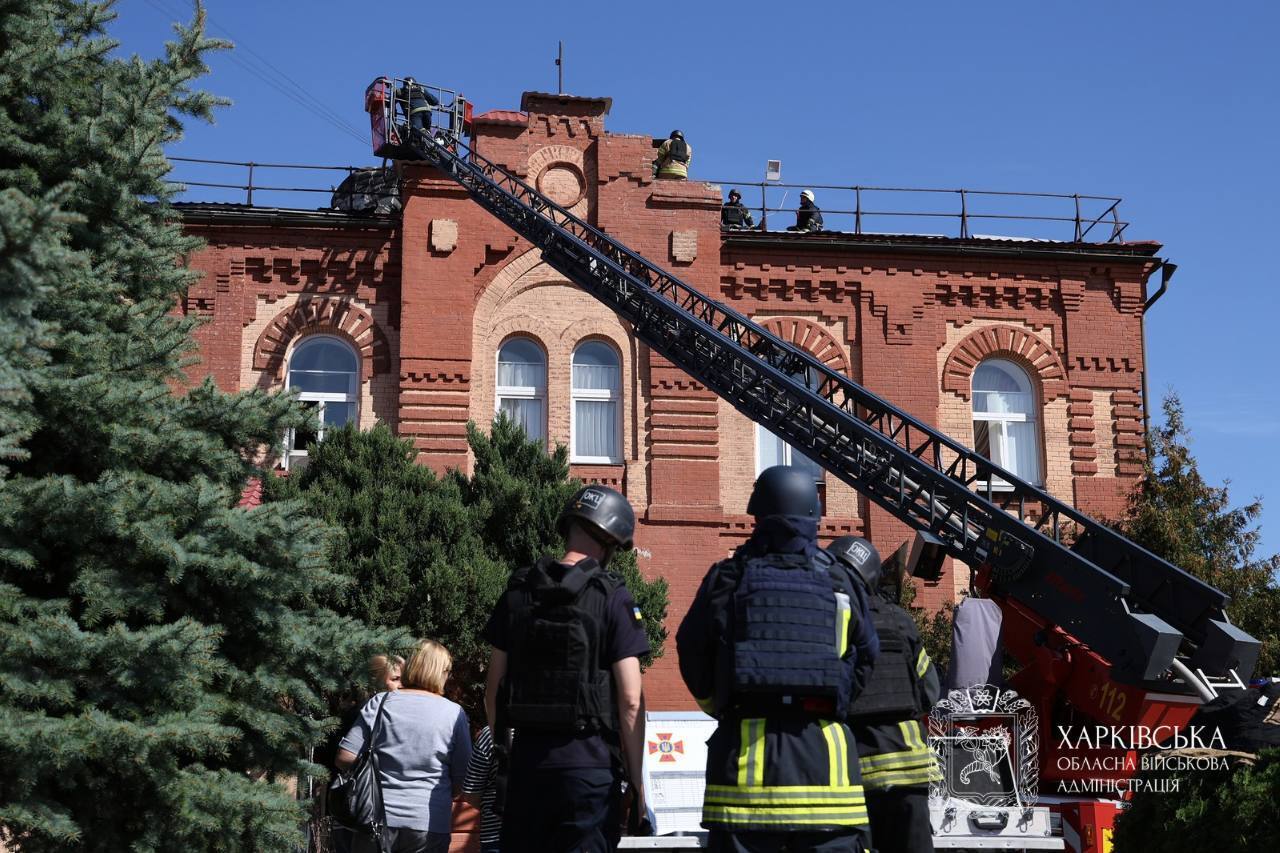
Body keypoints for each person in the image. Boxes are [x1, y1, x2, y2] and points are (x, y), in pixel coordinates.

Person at [676, 466, 879, 853]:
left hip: (744, 781)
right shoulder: (841, 583)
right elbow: (867, 654)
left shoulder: (728, 577)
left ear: (757, 513)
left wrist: (717, 703)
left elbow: (691, 648)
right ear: (814, 513)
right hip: (828, 778)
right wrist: (834, 698)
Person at [483, 485, 650, 853]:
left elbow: (493, 686)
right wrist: (636, 783)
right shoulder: (613, 597)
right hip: (588, 773)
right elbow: (631, 700)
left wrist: (505, 754)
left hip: (527, 771)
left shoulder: (517, 593)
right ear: (609, 541)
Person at [828, 537, 941, 853]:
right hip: (911, 775)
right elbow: (929, 690)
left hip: (854, 776)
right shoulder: (899, 620)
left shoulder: (831, 621)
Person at [337, 640, 473, 853]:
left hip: (375, 818)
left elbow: (344, 757)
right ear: (441, 672)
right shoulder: (454, 714)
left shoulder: (381, 702)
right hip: (429, 822)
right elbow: (464, 777)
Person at [461, 725, 502, 853]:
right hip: (549, 833)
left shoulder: (494, 732)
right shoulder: (559, 728)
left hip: (497, 832)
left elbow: (471, 791)